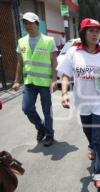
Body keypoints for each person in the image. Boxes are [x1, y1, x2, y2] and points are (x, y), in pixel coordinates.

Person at [57, 18, 100, 189]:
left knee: (98, 137)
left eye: (97, 31)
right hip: (83, 102)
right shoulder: (74, 52)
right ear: (83, 33)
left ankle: (99, 173)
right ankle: (91, 146)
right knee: (88, 132)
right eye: (91, 31)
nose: (95, 34)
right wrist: (65, 93)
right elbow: (66, 75)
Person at [12, 12, 57, 147]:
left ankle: (49, 134)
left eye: (31, 23)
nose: (28, 25)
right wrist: (16, 80)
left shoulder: (49, 41)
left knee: (46, 110)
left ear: (37, 24)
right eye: (25, 23)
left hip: (44, 83)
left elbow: (54, 62)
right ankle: (40, 127)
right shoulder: (21, 41)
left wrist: (54, 80)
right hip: (29, 82)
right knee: (27, 108)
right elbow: (20, 63)